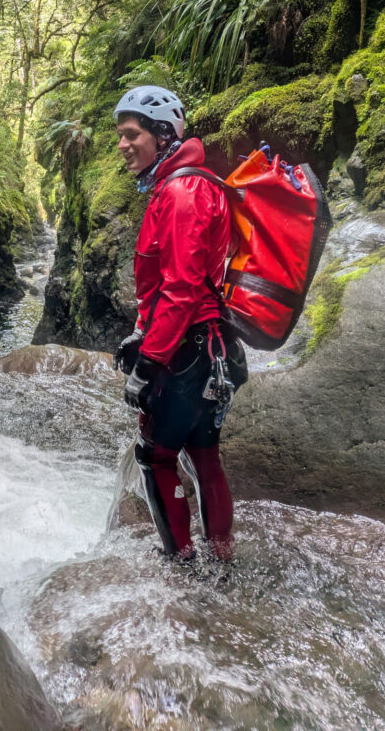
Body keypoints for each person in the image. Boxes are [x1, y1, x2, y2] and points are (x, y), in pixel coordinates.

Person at [113, 85, 247, 562]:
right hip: (207, 346)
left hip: (187, 352)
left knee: (156, 456)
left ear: (163, 134)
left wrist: (148, 364)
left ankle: (182, 564)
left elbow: (182, 289)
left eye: (132, 134)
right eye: (120, 135)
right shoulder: (189, 184)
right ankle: (221, 558)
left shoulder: (181, 191)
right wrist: (141, 333)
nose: (123, 145)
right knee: (203, 454)